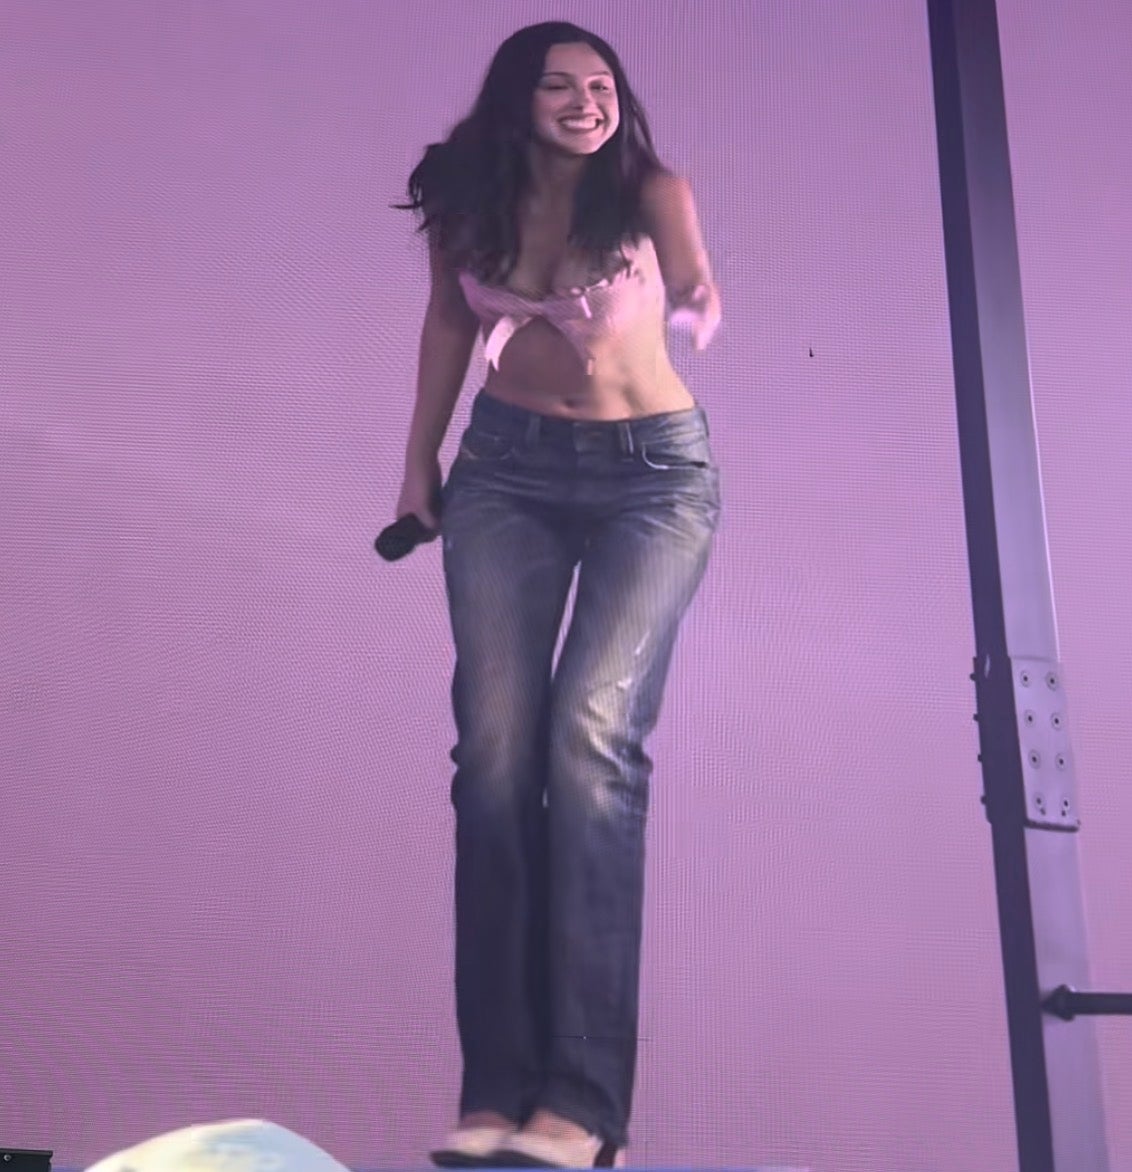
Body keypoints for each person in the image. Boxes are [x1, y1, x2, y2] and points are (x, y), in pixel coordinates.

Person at [391, 21, 722, 1169]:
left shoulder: (649, 188)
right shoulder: (468, 198)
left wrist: (692, 304)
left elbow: (693, 273)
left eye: (601, 85)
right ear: (515, 98)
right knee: (493, 761)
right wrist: (418, 464)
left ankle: (581, 1109)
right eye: (559, 86)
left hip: (651, 478)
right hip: (504, 472)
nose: (586, 102)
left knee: (589, 743)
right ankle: (496, 1092)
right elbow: (449, 320)